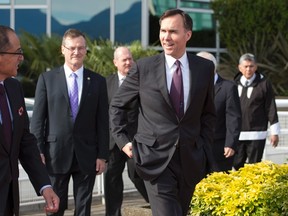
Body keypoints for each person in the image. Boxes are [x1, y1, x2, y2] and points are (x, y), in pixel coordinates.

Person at [109, 9, 216, 216]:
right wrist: (124, 142)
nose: (166, 37)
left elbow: (208, 113)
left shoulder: (204, 68)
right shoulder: (144, 68)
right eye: (162, 31)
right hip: (153, 159)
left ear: (188, 35)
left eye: (173, 32)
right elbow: (117, 105)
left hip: (190, 158)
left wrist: (203, 146)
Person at [30, 28, 109, 216]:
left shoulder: (97, 81)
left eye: (81, 48)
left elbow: (103, 121)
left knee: (84, 209)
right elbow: (38, 120)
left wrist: (102, 155)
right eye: (72, 48)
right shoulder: (47, 79)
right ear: (62, 49)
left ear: (86, 50)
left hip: (87, 155)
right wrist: (38, 150)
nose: (76, 52)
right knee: (55, 207)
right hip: (54, 155)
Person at [0, 25, 59, 216]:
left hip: (9, 200)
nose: (21, 57)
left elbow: (25, 141)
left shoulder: (14, 89)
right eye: (17, 52)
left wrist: (45, 186)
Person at [104, 46, 149, 216]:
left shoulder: (142, 81)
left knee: (137, 174)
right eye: (124, 60)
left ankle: (157, 205)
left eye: (130, 58)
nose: (129, 62)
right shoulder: (106, 83)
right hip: (112, 141)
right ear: (115, 63)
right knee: (111, 179)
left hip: (136, 140)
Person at [233, 53, 280, 170]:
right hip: (236, 133)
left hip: (257, 133)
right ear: (240, 67)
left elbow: (271, 107)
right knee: (236, 166)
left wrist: (274, 132)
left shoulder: (264, 84)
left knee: (254, 167)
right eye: (246, 66)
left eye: (251, 66)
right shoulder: (233, 84)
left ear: (256, 67)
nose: (248, 69)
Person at [197, 51, 242, 172]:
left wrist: (231, 144)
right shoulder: (191, 87)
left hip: (219, 149)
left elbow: (233, 118)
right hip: (195, 148)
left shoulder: (228, 87)